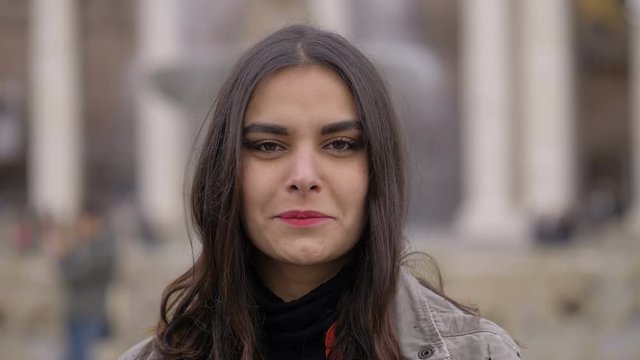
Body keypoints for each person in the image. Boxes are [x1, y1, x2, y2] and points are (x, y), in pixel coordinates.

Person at [120, 24, 521, 360]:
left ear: (378, 170)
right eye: (268, 145)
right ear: (226, 170)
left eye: (340, 144)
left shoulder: (480, 352)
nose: (304, 176)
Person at [55, 202, 117, 360]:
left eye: (82, 221)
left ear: (94, 221)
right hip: (76, 314)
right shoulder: (86, 246)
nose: (79, 226)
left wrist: (63, 256)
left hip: (90, 315)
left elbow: (74, 274)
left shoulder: (103, 248)